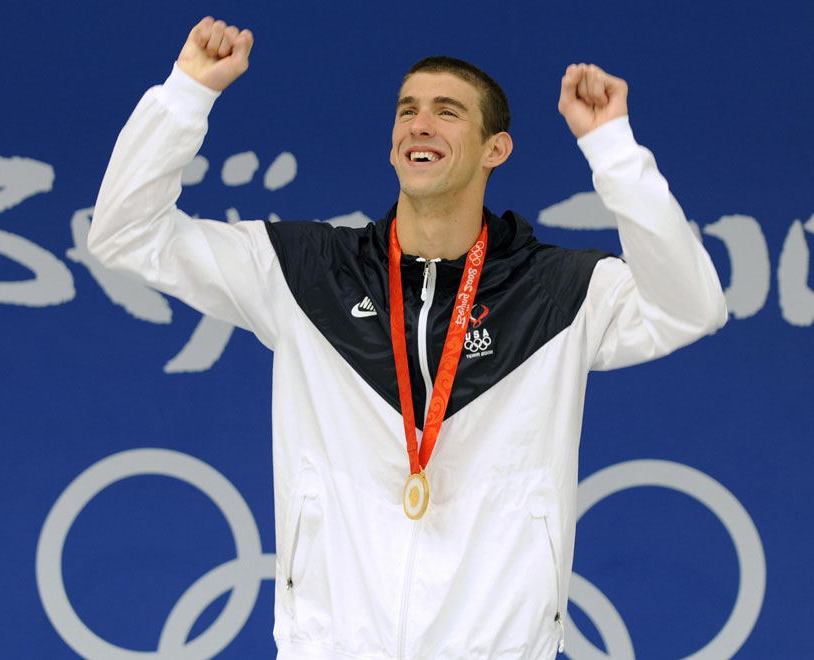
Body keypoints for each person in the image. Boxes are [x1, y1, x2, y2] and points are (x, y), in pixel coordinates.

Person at [88, 15, 727, 660]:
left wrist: (613, 150)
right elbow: (125, 236)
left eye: (447, 112)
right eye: (407, 111)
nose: (419, 125)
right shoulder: (307, 271)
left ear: (495, 149)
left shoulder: (560, 292)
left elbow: (691, 307)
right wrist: (186, 93)